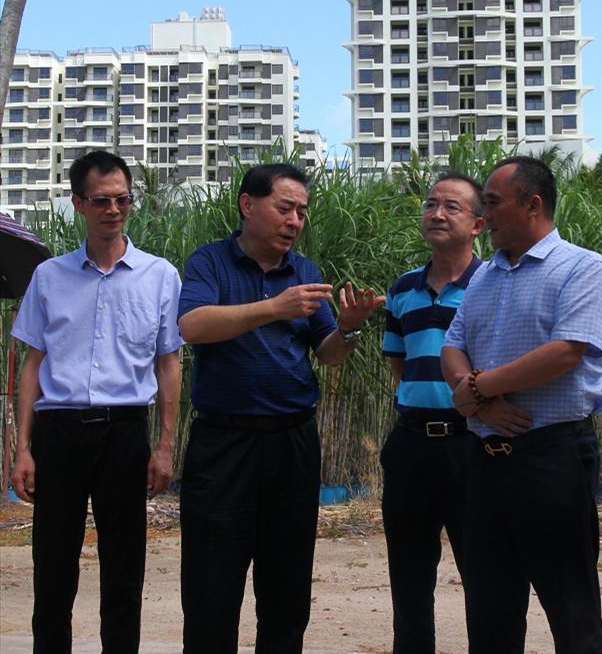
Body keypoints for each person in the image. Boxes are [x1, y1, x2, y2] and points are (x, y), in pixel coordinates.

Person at [177, 163, 384, 654]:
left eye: (302, 213)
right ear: (248, 205)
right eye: (285, 208)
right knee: (211, 584)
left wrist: (349, 328)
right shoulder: (210, 262)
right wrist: (274, 307)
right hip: (223, 444)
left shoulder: (304, 272)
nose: (295, 221)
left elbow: (328, 354)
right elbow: (193, 326)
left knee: (287, 584)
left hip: (292, 442)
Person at [441, 156, 602, 654]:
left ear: (532, 204)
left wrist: (477, 390)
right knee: (490, 613)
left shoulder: (582, 268)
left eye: (493, 203)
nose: (484, 214)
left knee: (572, 612)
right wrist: (480, 405)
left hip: (551, 460)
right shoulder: (484, 276)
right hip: (485, 463)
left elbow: (567, 351)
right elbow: (452, 345)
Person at [10, 150, 182, 654]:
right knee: (52, 567)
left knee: (124, 569)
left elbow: (168, 364)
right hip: (59, 432)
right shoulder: (49, 277)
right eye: (102, 200)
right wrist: (22, 449)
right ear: (78, 203)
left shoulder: (159, 276)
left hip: (125, 432)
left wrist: (164, 447)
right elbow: (32, 365)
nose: (114, 210)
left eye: (123, 199)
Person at [380, 172, 486, 653]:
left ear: (479, 224)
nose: (437, 214)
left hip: (472, 445)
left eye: (451, 207)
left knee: (484, 571)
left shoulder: (492, 283)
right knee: (408, 574)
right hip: (410, 446)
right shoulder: (403, 287)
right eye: (430, 204)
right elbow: (397, 361)